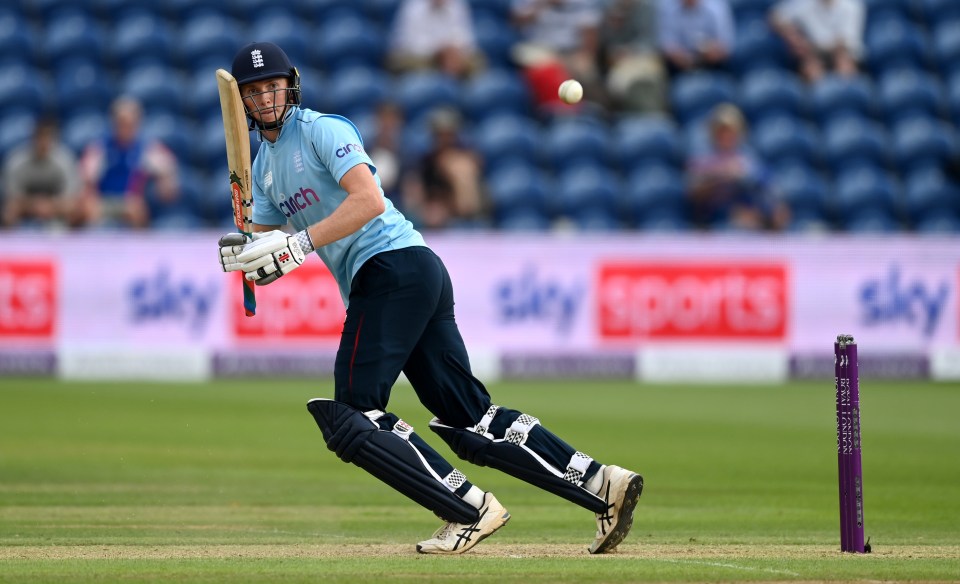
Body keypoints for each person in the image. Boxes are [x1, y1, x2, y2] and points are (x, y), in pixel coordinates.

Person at [218, 42, 643, 555]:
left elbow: (369, 200)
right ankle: (603, 484)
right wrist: (245, 255)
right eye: (255, 90)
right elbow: (267, 251)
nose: (266, 97)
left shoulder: (322, 130)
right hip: (407, 275)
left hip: (393, 266)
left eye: (274, 85)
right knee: (469, 417)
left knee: (352, 413)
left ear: (293, 84)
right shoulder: (263, 165)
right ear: (243, 100)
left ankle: (469, 509)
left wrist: (300, 243)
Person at [76, 96, 179, 228]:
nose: (126, 128)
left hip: (130, 202)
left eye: (131, 123)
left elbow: (168, 167)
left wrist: (164, 181)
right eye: (122, 123)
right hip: (103, 201)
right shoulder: (100, 148)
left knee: (137, 210)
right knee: (88, 209)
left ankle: (140, 246)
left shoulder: (146, 148)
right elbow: (87, 179)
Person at [685, 103, 788, 230]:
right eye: (721, 131)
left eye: (730, 131)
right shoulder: (702, 159)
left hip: (750, 220)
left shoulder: (748, 157)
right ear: (713, 133)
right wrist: (721, 175)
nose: (726, 136)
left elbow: (767, 185)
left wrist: (775, 210)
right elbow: (694, 192)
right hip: (715, 222)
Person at [401, 107, 486, 229]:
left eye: (448, 135)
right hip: (430, 214)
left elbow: (469, 205)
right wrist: (425, 209)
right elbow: (414, 197)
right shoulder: (425, 161)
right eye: (440, 135)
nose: (444, 140)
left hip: (460, 215)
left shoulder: (465, 160)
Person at [1, 117, 78, 230]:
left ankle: (70, 244)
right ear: (33, 139)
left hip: (57, 211)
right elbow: (12, 199)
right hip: (25, 210)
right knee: (9, 211)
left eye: (48, 138)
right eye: (40, 137)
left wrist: (50, 206)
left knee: (77, 209)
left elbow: (71, 199)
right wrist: (34, 205)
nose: (43, 143)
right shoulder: (17, 162)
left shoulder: (65, 161)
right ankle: (12, 243)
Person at [769, 0, 865, 83]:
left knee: (843, 62)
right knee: (811, 67)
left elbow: (844, 43)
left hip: (843, 52)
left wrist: (813, 46)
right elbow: (776, 16)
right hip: (814, 54)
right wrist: (792, 34)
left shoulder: (852, 6)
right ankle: (818, 98)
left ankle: (845, 94)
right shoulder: (804, 5)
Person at [387, 0, 483, 78]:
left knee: (477, 60)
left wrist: (452, 50)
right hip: (420, 58)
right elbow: (409, 44)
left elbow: (467, 39)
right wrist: (441, 51)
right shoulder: (412, 7)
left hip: (451, 54)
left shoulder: (458, 5)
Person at [656, 0, 735, 75]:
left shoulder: (717, 6)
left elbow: (726, 45)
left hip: (715, 68)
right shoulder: (667, 7)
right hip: (679, 70)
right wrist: (682, 58)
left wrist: (714, 51)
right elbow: (667, 45)